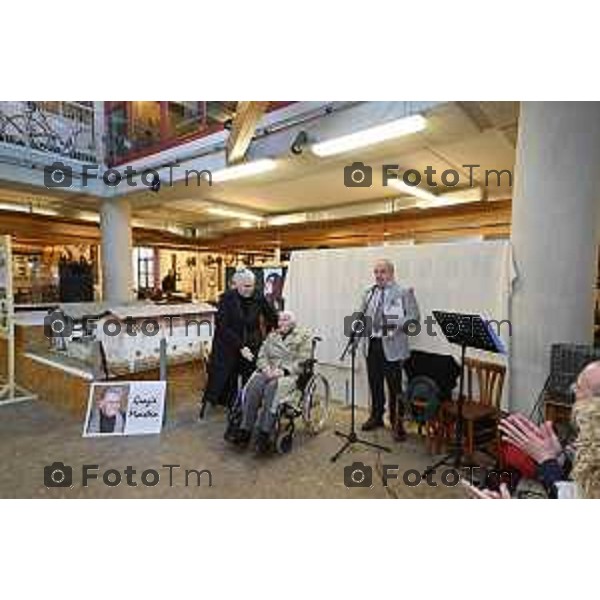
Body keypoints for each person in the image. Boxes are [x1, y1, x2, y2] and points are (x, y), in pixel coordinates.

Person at [467, 360, 600, 499]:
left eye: (579, 387)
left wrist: (547, 461)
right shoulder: (591, 431)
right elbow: (580, 474)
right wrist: (557, 456)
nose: (573, 390)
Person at [356, 259, 420, 441]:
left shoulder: (403, 292)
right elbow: (362, 314)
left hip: (392, 344)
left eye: (382, 271)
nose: (378, 275)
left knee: (394, 387)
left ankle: (396, 422)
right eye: (376, 272)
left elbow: (414, 317)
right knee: (374, 383)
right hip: (372, 344)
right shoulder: (369, 293)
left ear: (391, 273)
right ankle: (376, 416)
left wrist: (393, 323)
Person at [230, 311, 312, 453]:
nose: (282, 323)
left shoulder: (303, 336)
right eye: (280, 320)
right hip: (270, 370)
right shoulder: (272, 336)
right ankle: (245, 429)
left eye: (286, 320)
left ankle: (265, 432)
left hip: (289, 375)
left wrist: (284, 371)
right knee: (254, 385)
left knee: (272, 388)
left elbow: (303, 360)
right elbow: (261, 355)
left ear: (293, 322)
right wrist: (266, 368)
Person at [201, 269, 277, 415]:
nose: (250, 289)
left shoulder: (258, 296)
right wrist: (240, 347)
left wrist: (282, 329)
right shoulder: (226, 299)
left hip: (252, 342)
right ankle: (232, 405)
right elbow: (223, 327)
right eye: (246, 286)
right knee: (228, 375)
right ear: (236, 285)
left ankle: (249, 403)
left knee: (253, 373)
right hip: (229, 343)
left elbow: (271, 315)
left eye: (252, 286)